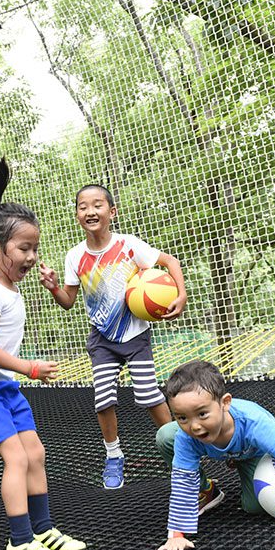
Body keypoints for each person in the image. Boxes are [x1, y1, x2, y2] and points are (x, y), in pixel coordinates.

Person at [0, 148, 86, 550]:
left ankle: (44, 528)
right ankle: (19, 539)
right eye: (23, 248)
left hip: (3, 388)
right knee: (17, 457)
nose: (31, 256)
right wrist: (29, 368)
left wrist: (51, 287)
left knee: (36, 452)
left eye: (34, 248)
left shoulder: (10, 287)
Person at [39, 185, 212, 501]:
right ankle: (114, 455)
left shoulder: (128, 245)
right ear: (77, 215)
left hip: (135, 335)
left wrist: (182, 294)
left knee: (148, 394)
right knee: (103, 397)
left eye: (98, 205)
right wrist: (53, 287)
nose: (90, 211)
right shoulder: (75, 256)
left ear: (111, 212)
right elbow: (67, 301)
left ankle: (181, 449)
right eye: (82, 206)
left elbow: (170, 262)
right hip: (102, 339)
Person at [155, 360, 275, 550]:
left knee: (254, 507)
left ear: (225, 403)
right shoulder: (187, 436)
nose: (194, 426)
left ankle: (239, 463)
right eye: (182, 418)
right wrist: (177, 535)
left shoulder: (255, 423)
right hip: (225, 448)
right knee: (165, 436)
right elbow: (183, 481)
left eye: (202, 414)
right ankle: (207, 491)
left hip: (253, 453)